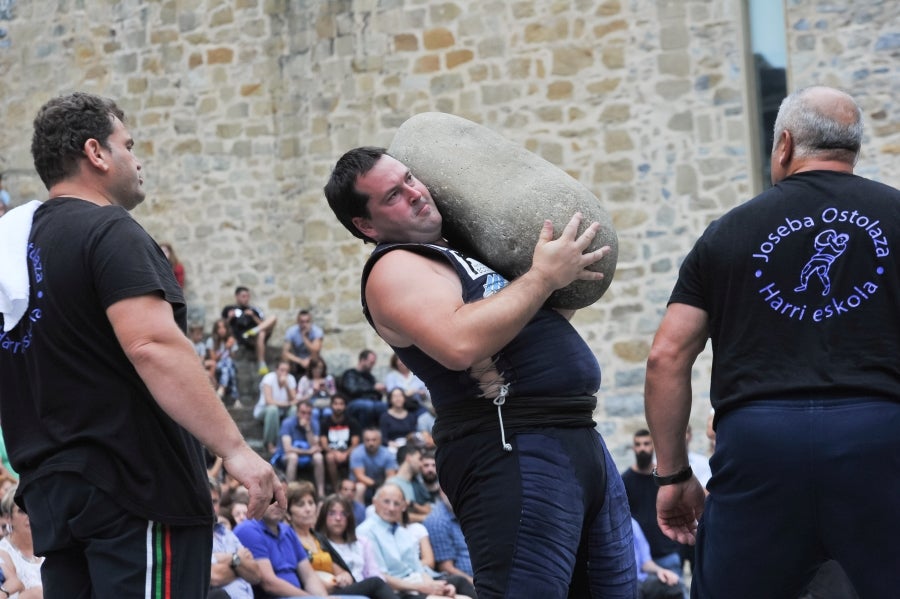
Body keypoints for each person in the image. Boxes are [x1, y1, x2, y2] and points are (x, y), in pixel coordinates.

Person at [0, 92, 283, 597]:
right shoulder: (109, 230)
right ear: (97, 153)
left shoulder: (12, 254)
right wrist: (238, 453)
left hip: (53, 493)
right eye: (128, 145)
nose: (138, 158)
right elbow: (151, 343)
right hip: (135, 489)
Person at [324, 146, 635, 597]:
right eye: (393, 194)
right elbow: (459, 344)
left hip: (574, 435)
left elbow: (526, 331)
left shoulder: (462, 253)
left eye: (410, 178)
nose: (414, 193)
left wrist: (549, 283)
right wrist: (542, 277)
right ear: (366, 226)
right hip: (510, 444)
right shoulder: (393, 266)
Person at [644, 86, 900, 598]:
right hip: (878, 437)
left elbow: (666, 357)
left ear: (783, 145)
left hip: (759, 445)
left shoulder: (728, 232)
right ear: (852, 149)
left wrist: (673, 475)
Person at [357, 484, 474, 599]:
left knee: (459, 584)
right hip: (395, 590)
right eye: (386, 502)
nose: (391, 508)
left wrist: (434, 586)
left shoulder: (403, 532)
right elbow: (380, 577)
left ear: (403, 506)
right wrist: (420, 587)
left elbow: (417, 568)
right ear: (375, 502)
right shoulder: (365, 532)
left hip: (416, 583)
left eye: (396, 503)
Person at [288, 483, 396, 599]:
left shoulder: (317, 538)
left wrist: (344, 577)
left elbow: (343, 572)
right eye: (300, 505)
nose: (308, 509)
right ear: (288, 512)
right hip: (315, 592)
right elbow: (301, 576)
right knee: (375, 584)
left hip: (337, 587)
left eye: (311, 503)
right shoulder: (289, 538)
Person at [233, 477, 334, 599]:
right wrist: (312, 598)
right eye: (272, 497)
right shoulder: (248, 530)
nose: (277, 502)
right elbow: (269, 584)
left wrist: (324, 598)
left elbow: (309, 576)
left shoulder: (288, 531)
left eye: (282, 496)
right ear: (257, 497)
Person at [621, 429, 683, 576]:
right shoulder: (624, 481)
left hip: (667, 553)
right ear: (634, 448)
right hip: (640, 560)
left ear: (653, 446)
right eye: (638, 444)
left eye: (646, 443)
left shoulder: (664, 478)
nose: (642, 448)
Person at [316, 494, 399, 599]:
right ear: (324, 516)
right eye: (332, 513)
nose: (338, 518)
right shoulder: (317, 543)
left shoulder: (361, 542)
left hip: (363, 588)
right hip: (334, 591)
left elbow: (373, 572)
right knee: (375, 583)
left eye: (343, 514)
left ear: (349, 517)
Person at [210, 478, 262, 599]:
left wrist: (230, 559)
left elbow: (256, 575)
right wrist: (238, 562)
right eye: (206, 501)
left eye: (214, 501)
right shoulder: (192, 538)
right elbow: (215, 577)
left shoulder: (227, 533)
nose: (210, 507)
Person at [422, 488, 474, 590]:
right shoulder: (438, 521)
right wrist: (477, 583)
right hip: (465, 584)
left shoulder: (465, 513)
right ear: (442, 492)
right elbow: (447, 568)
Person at [273, 400, 325, 497]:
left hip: (306, 457)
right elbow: (288, 448)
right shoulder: (287, 423)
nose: (306, 416)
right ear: (297, 412)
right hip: (285, 457)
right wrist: (308, 452)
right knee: (293, 457)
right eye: (303, 413)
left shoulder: (314, 424)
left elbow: (315, 447)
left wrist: (308, 430)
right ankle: (288, 492)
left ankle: (321, 492)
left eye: (309, 413)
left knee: (318, 457)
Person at [222, 286, 278, 375]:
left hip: (257, 334)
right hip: (243, 337)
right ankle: (262, 364)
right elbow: (221, 327)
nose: (246, 299)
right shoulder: (229, 309)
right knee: (262, 333)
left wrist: (253, 316)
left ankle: (255, 330)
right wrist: (229, 318)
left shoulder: (255, 310)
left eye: (248, 296)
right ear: (237, 296)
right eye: (243, 296)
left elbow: (264, 325)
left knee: (272, 320)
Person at [0, 488, 43, 597]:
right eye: (23, 511)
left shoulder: (50, 546)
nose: (30, 515)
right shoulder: (3, 553)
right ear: (8, 518)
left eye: (34, 509)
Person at [630, 519, 687, 599]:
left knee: (674, 585)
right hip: (622, 583)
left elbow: (646, 562)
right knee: (634, 591)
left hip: (641, 579)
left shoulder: (632, 523)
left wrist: (660, 570)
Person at [320, 394, 363, 494]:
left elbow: (355, 443)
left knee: (355, 454)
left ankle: (351, 487)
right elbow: (324, 444)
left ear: (345, 406)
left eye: (341, 404)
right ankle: (336, 489)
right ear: (331, 405)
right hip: (332, 452)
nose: (338, 407)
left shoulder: (352, 422)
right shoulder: (325, 422)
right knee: (330, 457)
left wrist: (345, 454)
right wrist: (335, 453)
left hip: (348, 452)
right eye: (335, 404)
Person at [255, 360, 299, 455]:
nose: (284, 373)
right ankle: (270, 444)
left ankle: (289, 442)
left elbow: (294, 399)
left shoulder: (290, 379)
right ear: (276, 370)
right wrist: (287, 404)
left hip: (283, 410)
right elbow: (269, 401)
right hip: (265, 410)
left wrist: (286, 385)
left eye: (286, 371)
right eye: (282, 370)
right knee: (273, 409)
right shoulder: (269, 378)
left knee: (294, 410)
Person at [340, 349, 387, 428]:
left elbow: (377, 396)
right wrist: (373, 388)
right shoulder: (350, 373)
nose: (373, 365)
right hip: (353, 403)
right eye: (371, 362)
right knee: (367, 406)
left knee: (385, 406)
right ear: (362, 360)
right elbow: (352, 390)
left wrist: (381, 391)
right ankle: (363, 433)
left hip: (371, 403)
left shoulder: (370, 377)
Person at [350, 428, 398, 506]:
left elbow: (391, 476)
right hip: (361, 484)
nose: (371, 443)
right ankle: (360, 514)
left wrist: (383, 486)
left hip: (382, 484)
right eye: (367, 440)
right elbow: (359, 476)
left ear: (380, 440)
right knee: (360, 487)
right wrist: (376, 484)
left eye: (374, 440)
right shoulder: (357, 453)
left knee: (391, 486)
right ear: (363, 441)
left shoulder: (387, 454)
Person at [385, 445, 431, 523]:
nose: (421, 464)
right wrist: (427, 517)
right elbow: (395, 515)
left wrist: (413, 505)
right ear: (409, 458)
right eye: (419, 459)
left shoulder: (417, 484)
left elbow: (429, 509)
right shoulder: (392, 484)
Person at [208, 317, 241, 405]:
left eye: (223, 327)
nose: (222, 330)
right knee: (229, 367)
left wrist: (230, 348)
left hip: (228, 365)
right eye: (219, 328)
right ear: (216, 330)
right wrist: (225, 349)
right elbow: (213, 359)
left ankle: (222, 389)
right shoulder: (211, 341)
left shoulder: (231, 340)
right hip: (217, 365)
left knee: (229, 365)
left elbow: (233, 357)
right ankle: (236, 399)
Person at [283, 309, 325, 377]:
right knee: (285, 359)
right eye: (302, 322)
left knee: (316, 359)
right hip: (297, 359)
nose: (304, 324)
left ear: (311, 322)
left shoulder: (317, 331)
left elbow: (315, 350)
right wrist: (300, 361)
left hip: (312, 358)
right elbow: (285, 353)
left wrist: (304, 337)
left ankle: (315, 378)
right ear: (298, 322)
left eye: (307, 322)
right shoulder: (291, 331)